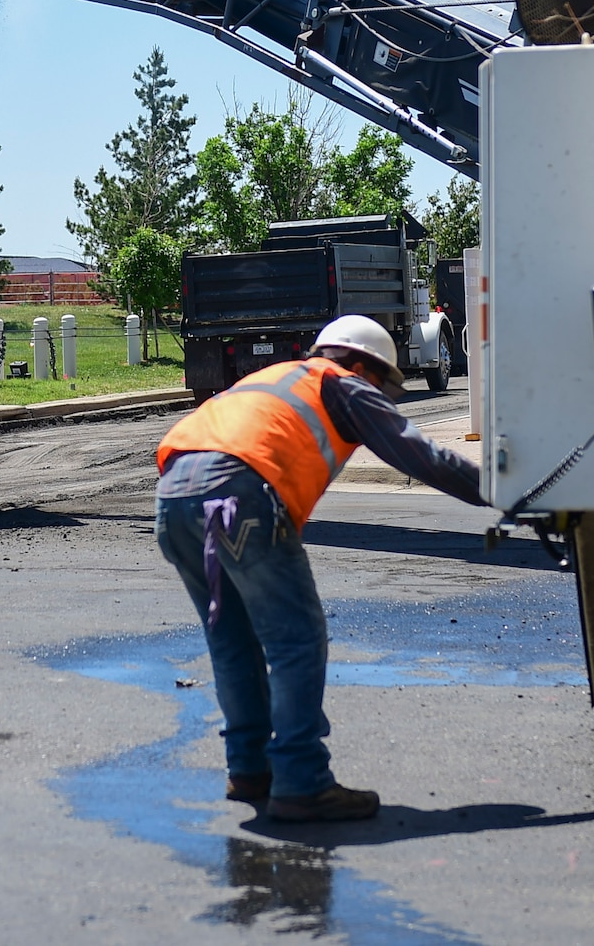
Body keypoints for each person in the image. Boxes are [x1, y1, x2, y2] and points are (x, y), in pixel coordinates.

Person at [153, 314, 486, 823]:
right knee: (297, 641)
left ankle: (251, 770)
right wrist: (503, 491)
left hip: (175, 498)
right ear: (360, 364)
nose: (382, 395)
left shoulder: (272, 377)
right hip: (240, 494)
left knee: (232, 641)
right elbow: (420, 454)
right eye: (382, 382)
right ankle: (302, 781)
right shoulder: (343, 383)